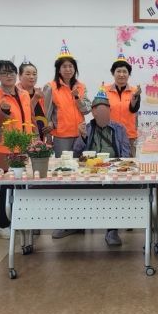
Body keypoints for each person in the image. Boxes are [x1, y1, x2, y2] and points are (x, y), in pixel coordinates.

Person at [73, 86, 130, 246]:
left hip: (113, 170)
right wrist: (82, 137)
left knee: (115, 193)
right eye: (99, 109)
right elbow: (76, 154)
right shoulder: (87, 128)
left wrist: (119, 168)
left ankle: (112, 230)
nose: (103, 113)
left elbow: (126, 154)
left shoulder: (119, 129)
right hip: (90, 171)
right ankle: (70, 223)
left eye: (106, 109)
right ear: (93, 112)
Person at [0, 59, 34, 239]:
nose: (9, 76)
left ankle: (18, 219)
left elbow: (30, 119)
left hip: (24, 146)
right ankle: (2, 223)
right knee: (6, 186)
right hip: (5, 147)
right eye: (4, 73)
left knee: (22, 185)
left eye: (12, 72)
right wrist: (4, 111)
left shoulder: (23, 93)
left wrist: (35, 140)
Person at [43, 40, 91, 159]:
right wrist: (48, 137)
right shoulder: (51, 87)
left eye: (71, 66)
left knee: (80, 164)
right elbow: (47, 113)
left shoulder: (81, 86)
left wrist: (77, 98)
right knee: (63, 164)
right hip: (61, 135)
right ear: (58, 69)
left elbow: (86, 110)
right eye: (64, 66)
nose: (68, 69)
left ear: (75, 69)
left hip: (80, 133)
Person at [105, 52, 141, 156]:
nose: (121, 74)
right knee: (109, 162)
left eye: (125, 71)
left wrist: (134, 99)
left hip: (129, 136)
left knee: (129, 163)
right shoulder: (104, 90)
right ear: (113, 73)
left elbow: (133, 109)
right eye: (118, 71)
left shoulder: (135, 91)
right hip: (109, 135)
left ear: (129, 74)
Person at [17, 59, 49, 141]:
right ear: (19, 76)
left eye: (34, 74)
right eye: (28, 74)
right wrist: (35, 99)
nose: (32, 77)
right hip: (23, 138)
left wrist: (49, 124)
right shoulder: (15, 93)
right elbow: (24, 113)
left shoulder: (39, 93)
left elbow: (46, 114)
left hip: (41, 138)